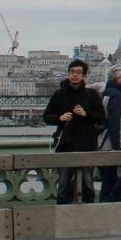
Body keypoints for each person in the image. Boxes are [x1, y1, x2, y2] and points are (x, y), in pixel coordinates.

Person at [41, 60, 105, 203]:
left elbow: (101, 118)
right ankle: (63, 215)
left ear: (83, 76)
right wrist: (60, 117)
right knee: (63, 184)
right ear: (68, 74)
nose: (75, 75)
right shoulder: (59, 94)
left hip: (87, 145)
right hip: (66, 145)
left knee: (88, 183)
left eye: (78, 72)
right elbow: (47, 116)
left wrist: (86, 114)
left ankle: (88, 214)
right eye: (72, 72)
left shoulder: (91, 95)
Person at [98, 65, 121, 203]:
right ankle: (112, 198)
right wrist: (117, 147)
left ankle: (106, 201)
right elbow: (115, 122)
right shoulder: (118, 96)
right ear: (119, 79)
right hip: (119, 143)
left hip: (106, 143)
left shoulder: (107, 93)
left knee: (109, 176)